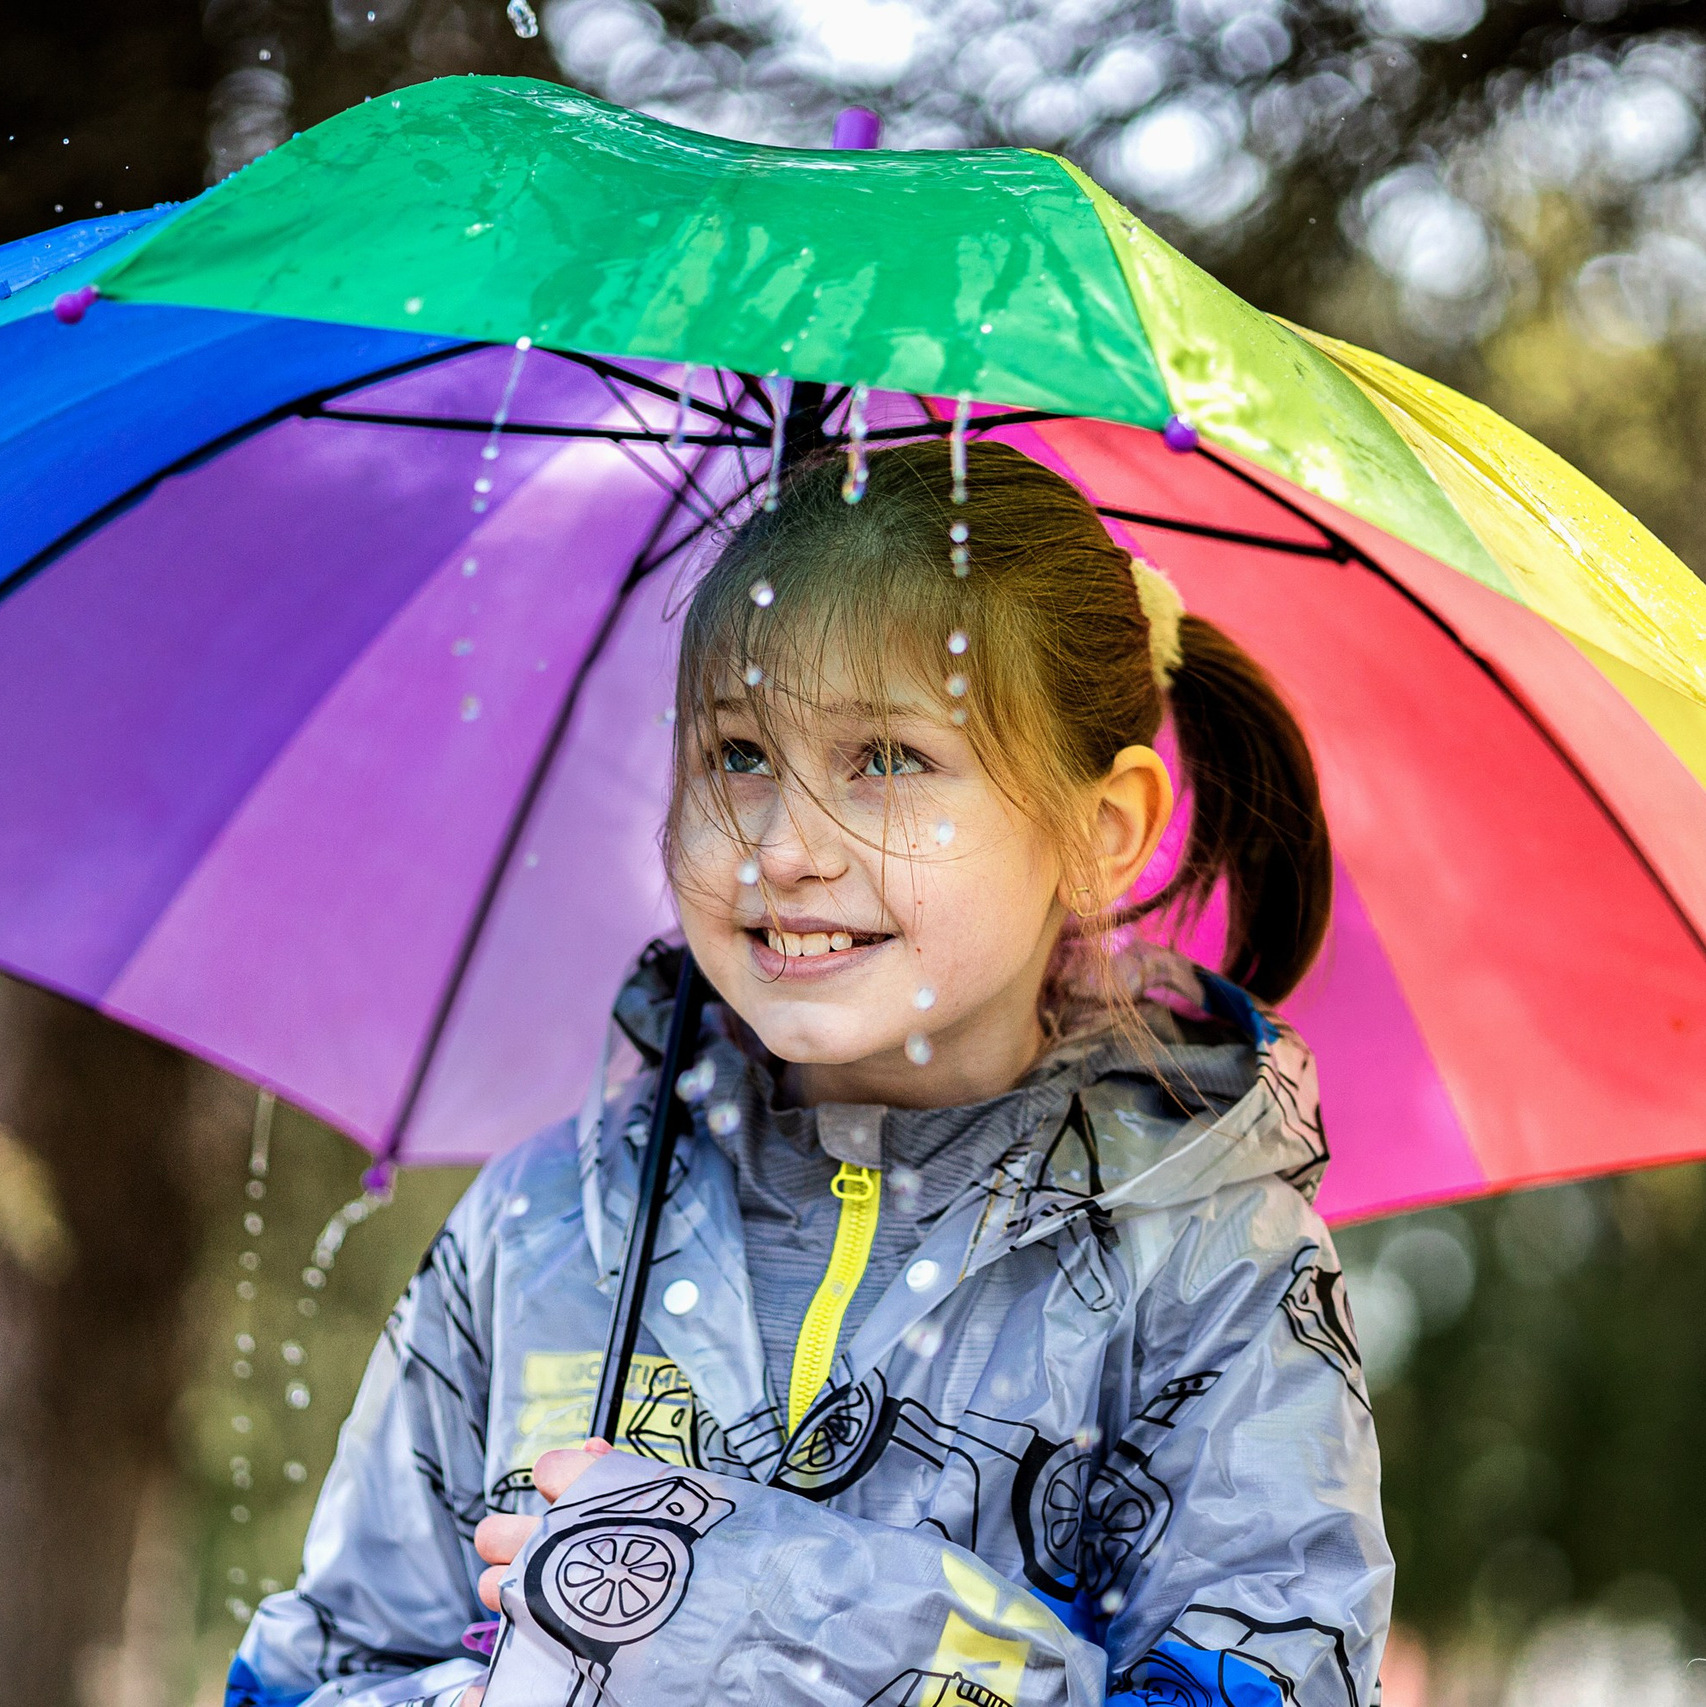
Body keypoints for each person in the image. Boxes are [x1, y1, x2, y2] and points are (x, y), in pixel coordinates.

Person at [228, 440, 1391, 1707]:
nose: (783, 849)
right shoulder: (544, 1228)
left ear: (1099, 834)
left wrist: (764, 1617)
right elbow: (314, 1675)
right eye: (737, 755)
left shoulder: (1207, 1264)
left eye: (886, 760)